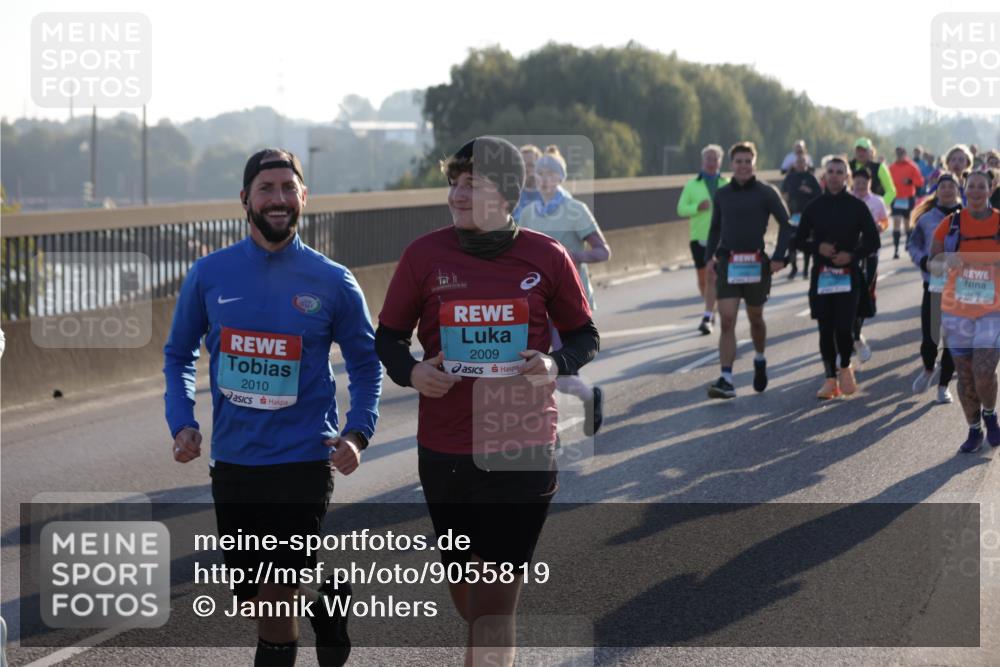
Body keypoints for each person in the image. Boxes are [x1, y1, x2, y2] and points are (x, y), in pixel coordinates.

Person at [375, 136, 599, 666]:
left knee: (494, 612)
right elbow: (386, 337)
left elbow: (586, 335)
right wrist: (411, 371)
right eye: (453, 182)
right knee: (469, 600)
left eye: (470, 184)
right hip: (445, 450)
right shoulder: (423, 255)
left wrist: (553, 365)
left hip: (520, 447)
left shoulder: (547, 256)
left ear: (505, 193)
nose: (455, 193)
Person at [163, 148, 382, 667]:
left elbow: (367, 364)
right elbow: (178, 354)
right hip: (235, 463)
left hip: (303, 459)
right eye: (267, 188)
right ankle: (326, 601)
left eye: (289, 188)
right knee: (260, 602)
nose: (278, 199)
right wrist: (183, 423)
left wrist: (358, 433)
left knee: (276, 604)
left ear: (303, 197)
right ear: (245, 199)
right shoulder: (210, 274)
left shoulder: (332, 279)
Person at [518, 144, 608, 433]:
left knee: (560, 370)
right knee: (534, 367)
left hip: (569, 300)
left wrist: (571, 256)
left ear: (560, 178)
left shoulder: (575, 210)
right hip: (535, 299)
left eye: (549, 173)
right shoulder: (529, 213)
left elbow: (603, 251)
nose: (542, 178)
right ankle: (549, 429)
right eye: (539, 172)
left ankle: (590, 396)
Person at [704, 141, 793, 399]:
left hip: (757, 265)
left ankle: (760, 358)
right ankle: (727, 378)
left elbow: (787, 225)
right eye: (738, 162)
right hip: (729, 263)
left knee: (755, 319)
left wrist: (779, 258)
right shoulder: (722, 194)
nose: (743, 166)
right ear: (731, 165)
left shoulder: (766, 192)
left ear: (755, 163)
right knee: (728, 319)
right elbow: (715, 228)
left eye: (747, 161)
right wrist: (710, 257)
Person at [795, 157, 881, 398]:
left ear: (847, 177)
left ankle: (845, 366)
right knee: (825, 329)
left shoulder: (856, 206)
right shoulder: (814, 207)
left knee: (844, 328)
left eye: (839, 172)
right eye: (830, 171)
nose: (834, 176)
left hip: (849, 275)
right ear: (824, 176)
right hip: (822, 276)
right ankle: (830, 379)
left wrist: (852, 255)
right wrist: (817, 248)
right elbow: (799, 240)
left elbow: (873, 240)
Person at [929, 170, 1000, 452]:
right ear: (964, 188)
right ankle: (973, 430)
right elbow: (933, 263)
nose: (976, 192)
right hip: (956, 310)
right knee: (966, 375)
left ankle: (991, 416)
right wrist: (946, 258)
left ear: (991, 188)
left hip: (991, 310)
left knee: (984, 372)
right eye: (971, 187)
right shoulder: (951, 224)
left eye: (982, 187)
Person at [907, 173, 963, 404]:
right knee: (931, 337)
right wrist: (924, 262)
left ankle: (943, 386)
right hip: (934, 284)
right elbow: (913, 244)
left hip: (961, 285)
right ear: (937, 191)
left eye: (952, 186)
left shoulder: (968, 217)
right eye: (943, 186)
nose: (948, 189)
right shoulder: (927, 218)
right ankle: (929, 369)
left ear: (958, 190)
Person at [677, 144, 729, 332]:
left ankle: (709, 313)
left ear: (720, 162)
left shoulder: (727, 183)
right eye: (708, 158)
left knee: (712, 274)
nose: (711, 162)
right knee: (702, 278)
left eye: (715, 158)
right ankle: (710, 307)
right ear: (702, 161)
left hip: (722, 237)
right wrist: (697, 208)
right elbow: (681, 209)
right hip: (699, 237)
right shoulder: (692, 185)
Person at [849, 167, 889, 363]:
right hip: (851, 255)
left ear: (870, 183)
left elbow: (884, 221)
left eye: (864, 183)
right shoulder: (847, 200)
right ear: (852, 183)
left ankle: (856, 335)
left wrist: (879, 227)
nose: (861, 186)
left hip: (871, 254)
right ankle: (853, 338)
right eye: (857, 183)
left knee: (864, 296)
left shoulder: (877, 201)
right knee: (850, 296)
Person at [849, 138, 897, 255]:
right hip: (852, 210)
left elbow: (891, 191)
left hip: (873, 210)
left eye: (864, 150)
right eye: (858, 150)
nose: (861, 153)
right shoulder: (848, 166)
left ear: (871, 152)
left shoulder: (879, 167)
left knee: (871, 252)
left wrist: (879, 204)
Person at [781, 152, 822, 280]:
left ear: (806, 164)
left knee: (807, 244)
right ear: (794, 164)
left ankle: (805, 270)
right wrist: (786, 199)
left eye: (802, 162)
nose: (800, 165)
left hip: (808, 216)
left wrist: (809, 191)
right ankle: (794, 268)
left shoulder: (811, 178)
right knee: (791, 242)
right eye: (798, 162)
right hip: (793, 215)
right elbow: (783, 192)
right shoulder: (790, 177)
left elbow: (820, 194)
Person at [888, 146, 925, 254]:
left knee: (907, 224)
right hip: (896, 199)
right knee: (896, 223)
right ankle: (896, 249)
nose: (899, 155)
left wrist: (910, 181)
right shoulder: (891, 168)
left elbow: (920, 182)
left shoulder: (912, 166)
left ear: (905, 153)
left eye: (901, 153)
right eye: (897, 153)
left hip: (908, 198)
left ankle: (908, 242)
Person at [512, 144, 543, 222]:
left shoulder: (550, 195)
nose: (525, 169)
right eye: (522, 165)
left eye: (530, 165)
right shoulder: (511, 195)